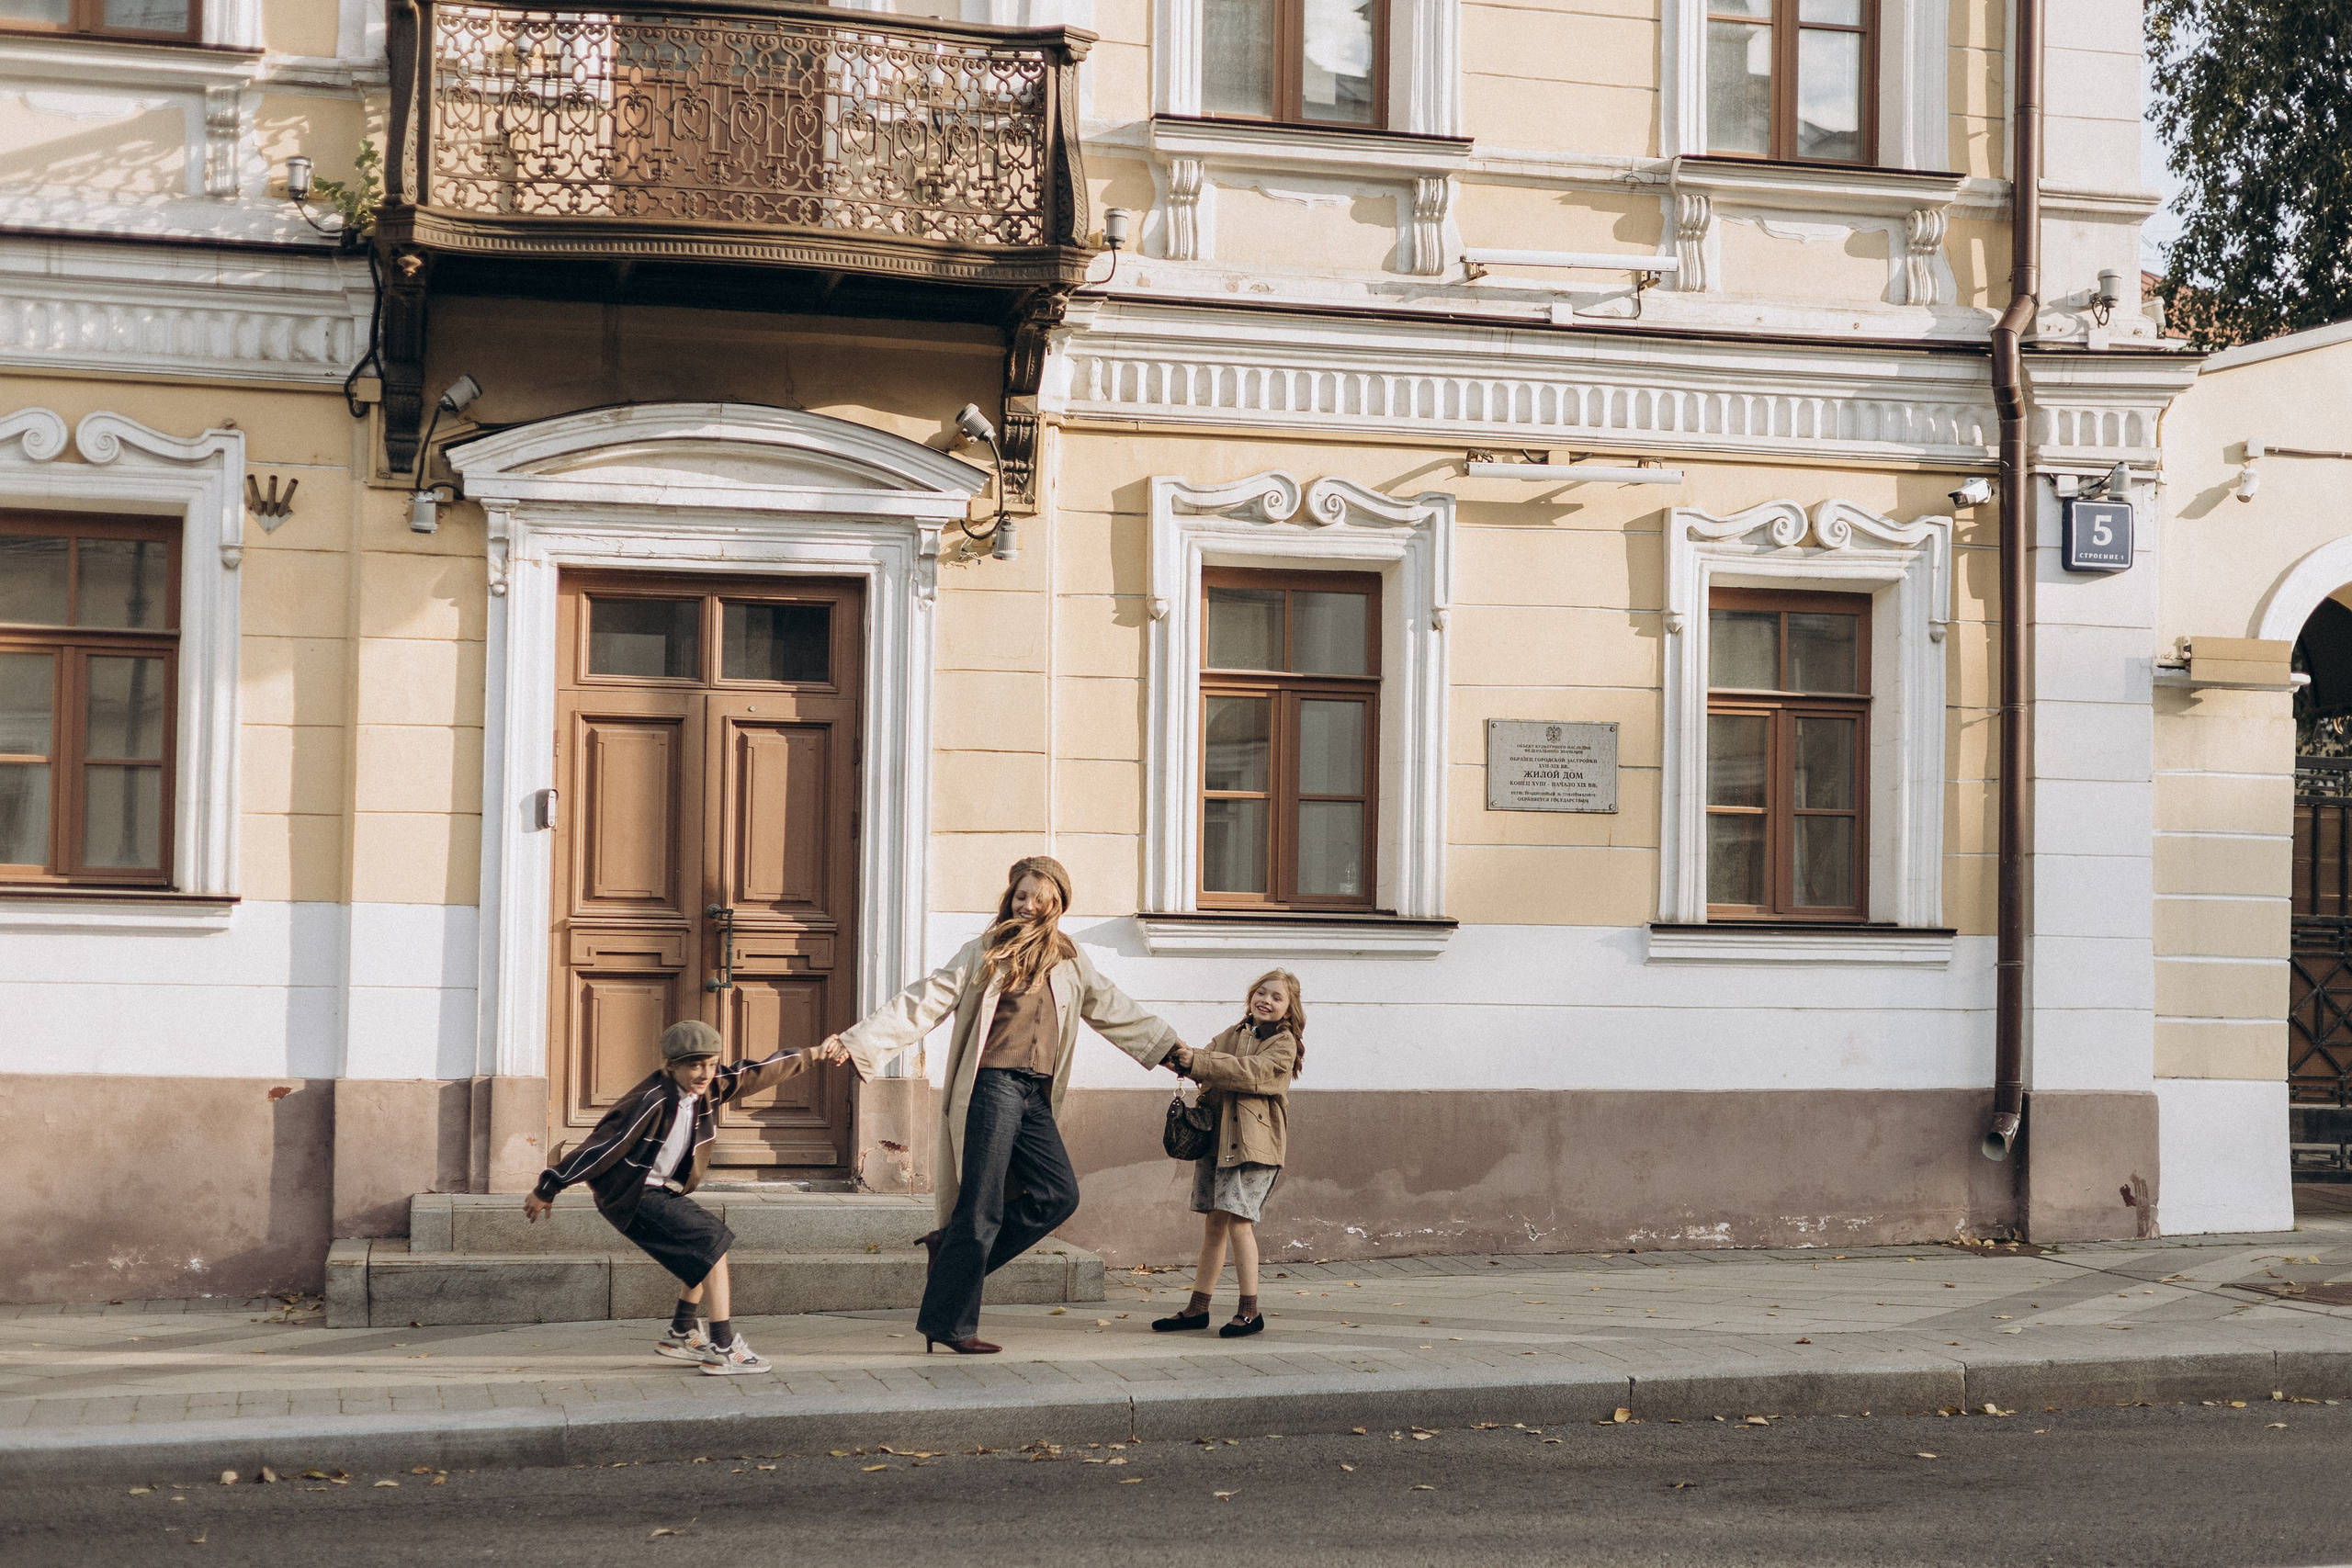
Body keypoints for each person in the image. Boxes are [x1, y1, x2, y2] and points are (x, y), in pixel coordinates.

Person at [816, 855, 1190, 1354]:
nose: (1028, 905)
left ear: (1057, 903)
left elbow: (1115, 1009)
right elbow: (925, 999)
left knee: (1057, 1195)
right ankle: (949, 1324)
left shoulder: (1071, 957)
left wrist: (1173, 1052)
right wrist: (860, 1040)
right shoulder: (987, 951)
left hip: (1035, 1094)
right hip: (992, 1087)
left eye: (1039, 897)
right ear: (1009, 898)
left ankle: (950, 1254)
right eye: (1020, 895)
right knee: (982, 1205)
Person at [524, 1019, 810, 1375]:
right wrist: (549, 1186)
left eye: (710, 1063)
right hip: (632, 1195)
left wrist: (812, 1055)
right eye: (694, 1065)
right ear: (670, 1066)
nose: (705, 1073)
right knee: (712, 1242)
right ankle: (722, 1347)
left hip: (657, 1190)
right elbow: (601, 1147)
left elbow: (755, 1074)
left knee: (700, 1249)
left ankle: (681, 1332)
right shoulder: (652, 1101)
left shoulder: (707, 1087)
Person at [1152, 969, 1303, 1339]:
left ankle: (1250, 1312)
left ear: (1288, 1009)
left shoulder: (1284, 1044)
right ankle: (1197, 1309)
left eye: (1277, 997)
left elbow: (1250, 1073)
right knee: (1214, 1223)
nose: (1266, 1000)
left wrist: (1198, 1062)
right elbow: (1204, 1058)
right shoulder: (1233, 1034)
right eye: (1261, 993)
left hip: (1255, 1146)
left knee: (1239, 1221)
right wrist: (1167, 1052)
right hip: (1218, 1141)